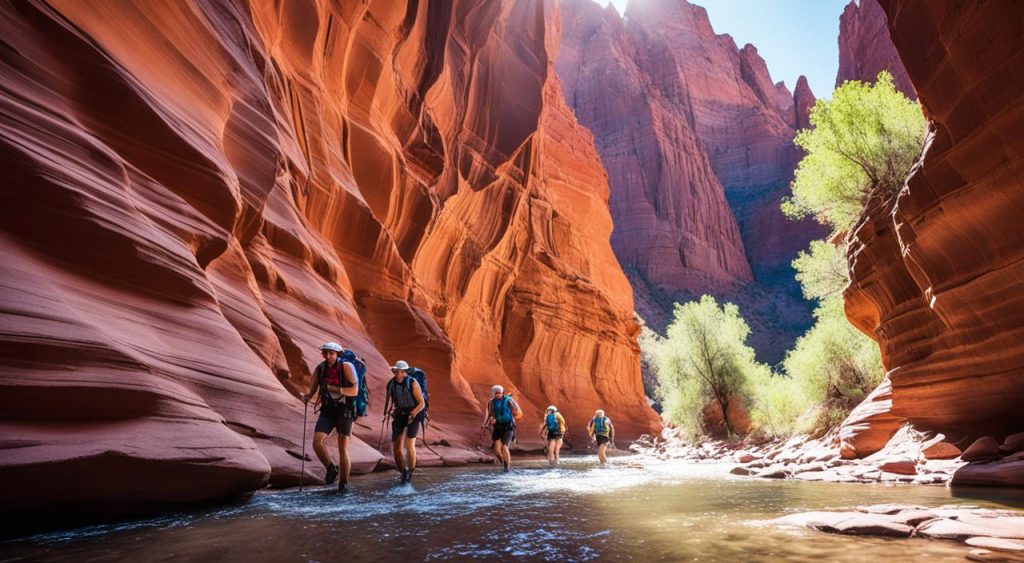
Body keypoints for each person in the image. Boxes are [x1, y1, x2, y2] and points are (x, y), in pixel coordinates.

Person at [303, 342, 358, 493]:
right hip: (328, 410)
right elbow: (314, 386)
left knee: (342, 448)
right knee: (317, 443)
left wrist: (333, 388)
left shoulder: (346, 367)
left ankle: (343, 484)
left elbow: (354, 390)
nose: (328, 356)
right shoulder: (321, 368)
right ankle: (331, 468)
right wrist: (308, 396)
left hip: (345, 410)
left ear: (337, 354)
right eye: (325, 353)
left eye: (331, 353)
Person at [385, 360, 426, 484]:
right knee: (396, 448)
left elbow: (421, 404)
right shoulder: (391, 384)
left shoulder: (412, 383)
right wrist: (391, 412)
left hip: (414, 413)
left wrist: (412, 414)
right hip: (400, 414)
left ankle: (410, 474)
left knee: (409, 445)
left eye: (398, 371)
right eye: (395, 370)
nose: (396, 373)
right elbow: (394, 401)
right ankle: (403, 472)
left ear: (404, 372)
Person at [481, 385, 521, 472]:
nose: (498, 394)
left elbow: (515, 412)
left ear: (502, 392)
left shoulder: (508, 400)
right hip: (498, 426)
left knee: (504, 446)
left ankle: (507, 468)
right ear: (493, 393)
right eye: (496, 393)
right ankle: (504, 464)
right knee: (496, 450)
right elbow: (489, 414)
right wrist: (485, 425)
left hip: (508, 426)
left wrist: (512, 412)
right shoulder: (491, 402)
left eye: (500, 393)